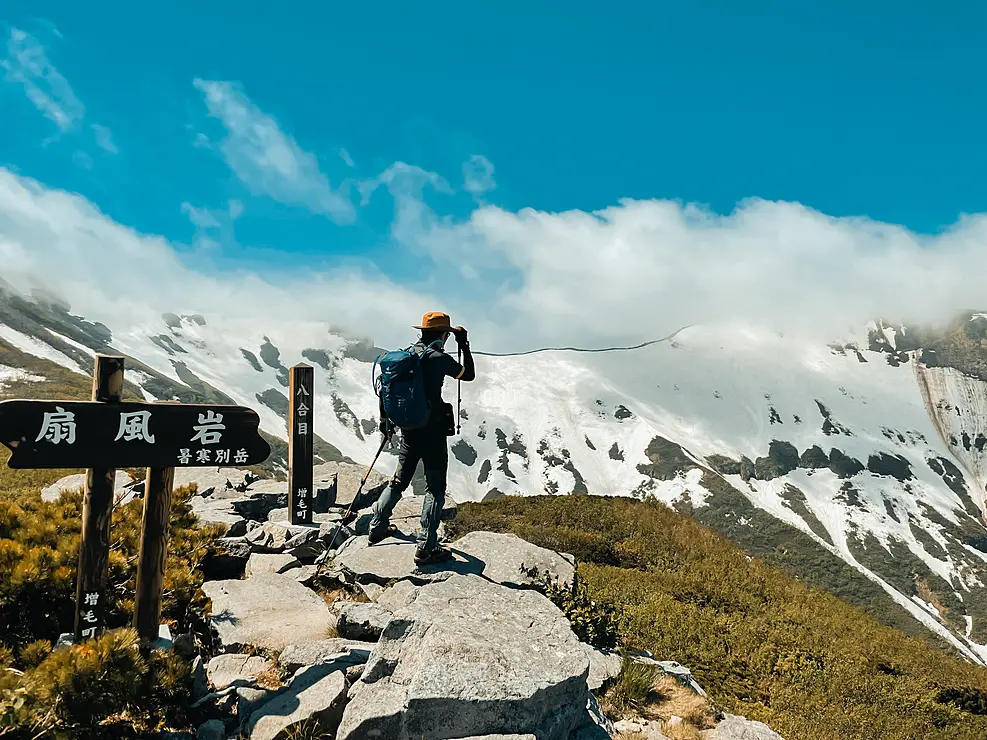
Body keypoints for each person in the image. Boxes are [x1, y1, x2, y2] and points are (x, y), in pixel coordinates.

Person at [368, 311, 476, 564]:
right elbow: (467, 375)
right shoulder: (437, 357)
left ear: (422, 331)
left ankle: (377, 527)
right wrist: (465, 345)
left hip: (408, 430)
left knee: (399, 480)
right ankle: (426, 546)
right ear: (443, 334)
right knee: (435, 488)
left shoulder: (405, 356)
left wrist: (387, 425)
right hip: (433, 432)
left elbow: (385, 390)